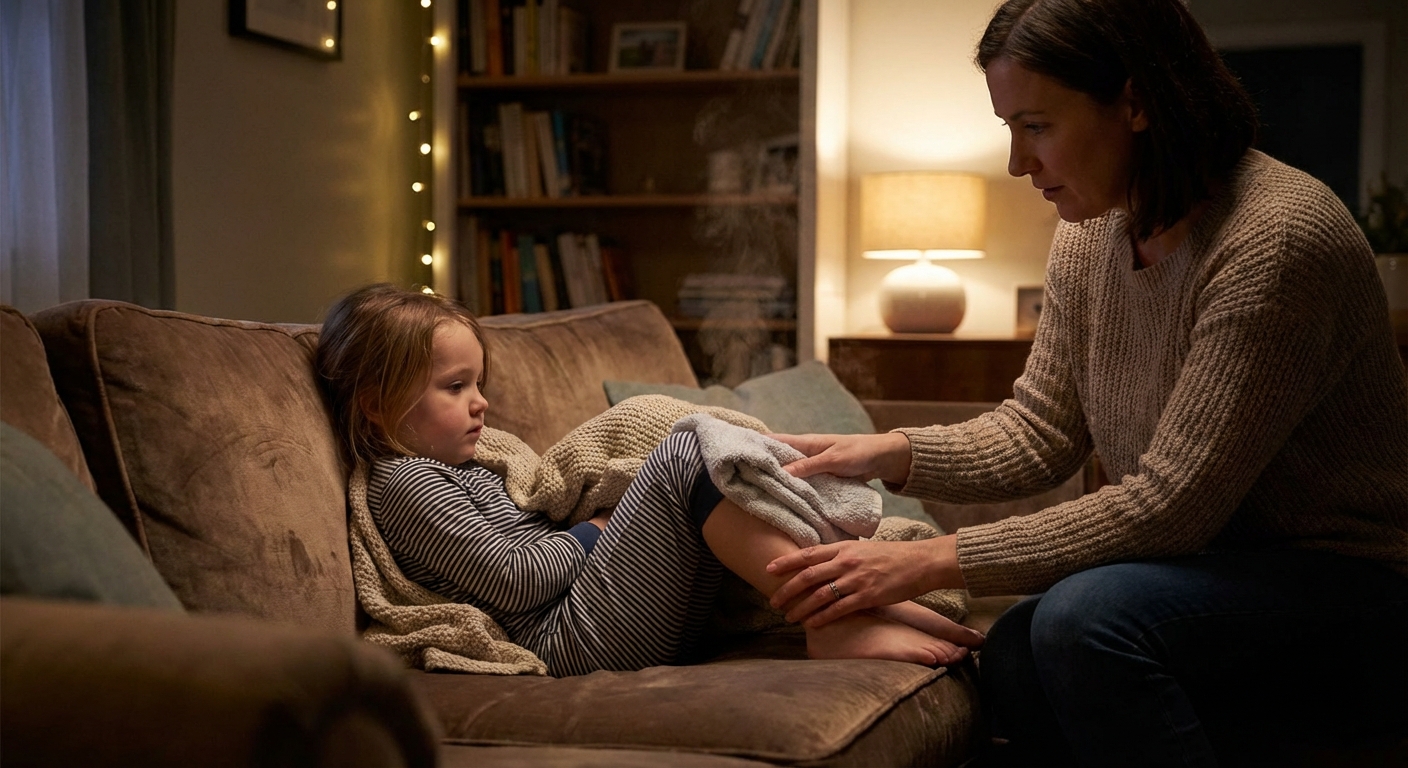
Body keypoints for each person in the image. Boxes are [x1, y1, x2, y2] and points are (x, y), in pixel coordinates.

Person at [763, 0, 1408, 764]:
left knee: (1084, 621)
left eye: (1036, 126)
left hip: (1350, 584)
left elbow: (1171, 506)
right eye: (1011, 129)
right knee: (1014, 656)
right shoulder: (1092, 231)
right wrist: (883, 451)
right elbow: (1041, 430)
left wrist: (926, 560)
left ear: (1135, 102)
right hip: (1206, 573)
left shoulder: (1277, 241)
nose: (1017, 163)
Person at [314, 283, 984, 677]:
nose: (480, 403)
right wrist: (591, 532)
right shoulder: (405, 483)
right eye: (455, 387)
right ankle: (833, 615)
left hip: (605, 612)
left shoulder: (471, 461)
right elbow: (515, 577)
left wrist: (588, 517)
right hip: (570, 638)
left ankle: (853, 599)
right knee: (690, 446)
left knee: (704, 458)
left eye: (478, 383)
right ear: (375, 403)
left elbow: (542, 493)